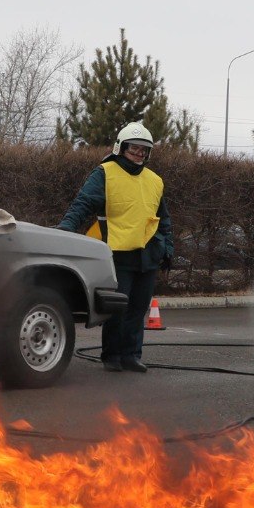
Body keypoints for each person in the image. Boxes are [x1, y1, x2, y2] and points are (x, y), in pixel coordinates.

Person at [58, 121, 174, 373]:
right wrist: (64, 231)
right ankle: (112, 355)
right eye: (134, 147)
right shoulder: (105, 172)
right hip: (118, 253)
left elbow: (163, 219)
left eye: (144, 149)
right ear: (121, 147)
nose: (139, 153)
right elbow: (83, 204)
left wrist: (168, 248)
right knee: (118, 309)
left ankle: (132, 355)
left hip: (148, 254)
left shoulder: (155, 181)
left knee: (138, 308)